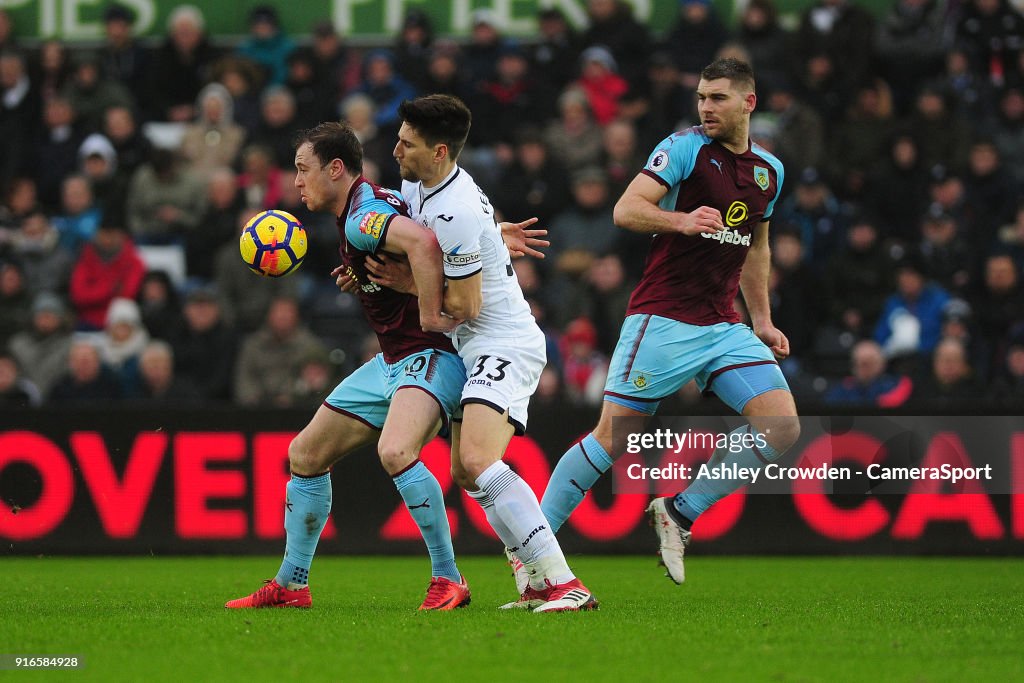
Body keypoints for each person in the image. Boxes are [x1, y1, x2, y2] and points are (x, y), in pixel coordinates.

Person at [538, 58, 801, 585]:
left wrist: (764, 321)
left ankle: (678, 512)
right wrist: (680, 219)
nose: (706, 107)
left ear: (749, 103)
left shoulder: (768, 172)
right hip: (663, 319)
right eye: (702, 96)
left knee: (782, 426)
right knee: (612, 436)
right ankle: (532, 546)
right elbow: (626, 209)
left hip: (723, 325)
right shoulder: (683, 148)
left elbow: (757, 247)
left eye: (718, 98)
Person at [226, 121, 470, 611]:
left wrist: (426, 311)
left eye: (303, 169)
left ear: (336, 169)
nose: (296, 182)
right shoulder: (363, 210)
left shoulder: (364, 215)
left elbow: (424, 244)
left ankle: (449, 579)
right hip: (393, 360)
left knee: (397, 452)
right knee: (306, 455)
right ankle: (292, 584)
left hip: (430, 356)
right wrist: (369, 284)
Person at [370, 94, 597, 612]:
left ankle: (564, 582)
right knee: (467, 472)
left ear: (440, 151)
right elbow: (448, 248)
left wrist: (406, 282)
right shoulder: (419, 184)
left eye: (407, 143)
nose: (396, 148)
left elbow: (466, 306)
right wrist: (493, 240)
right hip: (475, 346)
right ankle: (537, 583)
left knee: (477, 458)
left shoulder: (457, 209)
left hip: (503, 341)